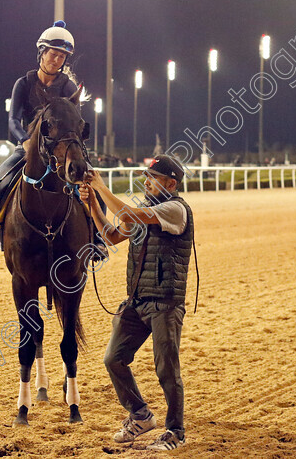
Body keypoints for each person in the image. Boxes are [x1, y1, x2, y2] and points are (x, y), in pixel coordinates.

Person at [79, 154, 193, 451]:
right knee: (113, 359)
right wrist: (92, 202)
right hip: (137, 302)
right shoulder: (147, 211)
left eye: (152, 178)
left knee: (167, 370)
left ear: (171, 183)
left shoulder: (175, 210)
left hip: (166, 304)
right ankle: (141, 415)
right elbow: (110, 234)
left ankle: (176, 432)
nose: (146, 182)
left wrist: (102, 188)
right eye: (146, 177)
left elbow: (128, 216)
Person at [0, 21, 79, 260]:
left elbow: (74, 122)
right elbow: (13, 120)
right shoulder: (23, 84)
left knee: (89, 184)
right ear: (42, 53)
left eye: (62, 57)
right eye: (53, 54)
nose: (57, 60)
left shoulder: (69, 87)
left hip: (60, 151)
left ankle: (95, 238)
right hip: (26, 150)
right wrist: (25, 141)